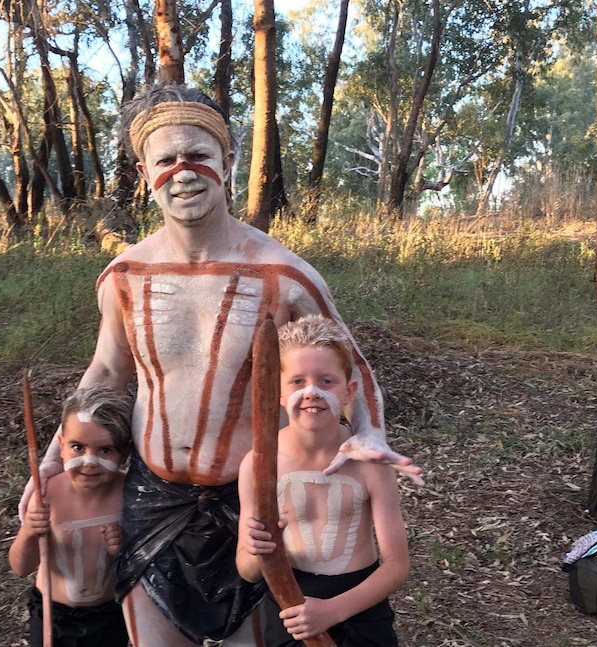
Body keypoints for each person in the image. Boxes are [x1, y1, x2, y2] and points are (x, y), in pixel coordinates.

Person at [22, 83, 423, 647]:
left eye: (199, 156)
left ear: (228, 162)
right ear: (143, 172)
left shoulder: (284, 275)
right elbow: (107, 373)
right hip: (151, 496)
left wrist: (369, 437)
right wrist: (52, 463)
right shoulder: (124, 277)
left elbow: (351, 367)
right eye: (165, 160)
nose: (183, 172)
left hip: (254, 504)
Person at [236, 315, 410, 646]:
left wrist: (334, 610)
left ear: (350, 390)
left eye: (326, 381)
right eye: (297, 381)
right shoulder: (257, 466)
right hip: (289, 609)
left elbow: (396, 565)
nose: (312, 392)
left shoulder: (371, 464)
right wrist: (255, 550)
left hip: (360, 607)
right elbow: (246, 570)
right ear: (278, 393)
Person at [9, 387, 131, 647]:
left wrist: (121, 551)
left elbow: (141, 566)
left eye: (106, 450)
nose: (89, 462)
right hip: (53, 617)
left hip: (109, 615)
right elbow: (21, 567)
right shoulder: (47, 495)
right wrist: (30, 531)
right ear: (62, 447)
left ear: (125, 453)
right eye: (78, 447)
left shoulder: (130, 496)